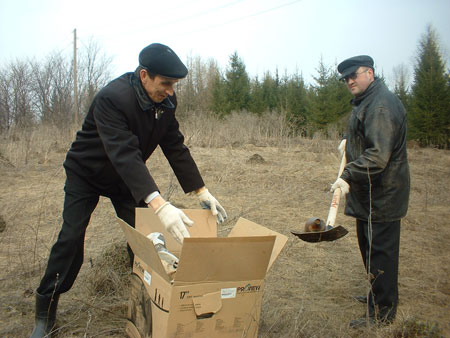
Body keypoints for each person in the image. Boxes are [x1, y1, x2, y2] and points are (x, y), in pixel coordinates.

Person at [30, 43, 227, 337]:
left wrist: (202, 191)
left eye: (174, 85)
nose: (171, 91)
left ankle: (146, 301)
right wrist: (160, 205)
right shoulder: (112, 98)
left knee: (143, 242)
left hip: (124, 181)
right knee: (71, 239)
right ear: (144, 75)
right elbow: (123, 153)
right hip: (87, 173)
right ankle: (45, 312)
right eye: (166, 84)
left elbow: (174, 146)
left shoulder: (166, 103)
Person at [331, 55, 410, 329]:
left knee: (381, 254)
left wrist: (347, 175)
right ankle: (376, 296)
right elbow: (365, 133)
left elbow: (378, 156)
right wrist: (348, 139)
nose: (350, 81)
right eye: (346, 78)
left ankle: (383, 314)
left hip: (383, 195)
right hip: (370, 195)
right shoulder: (367, 101)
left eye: (355, 75)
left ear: (370, 73)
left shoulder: (380, 107)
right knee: (369, 249)